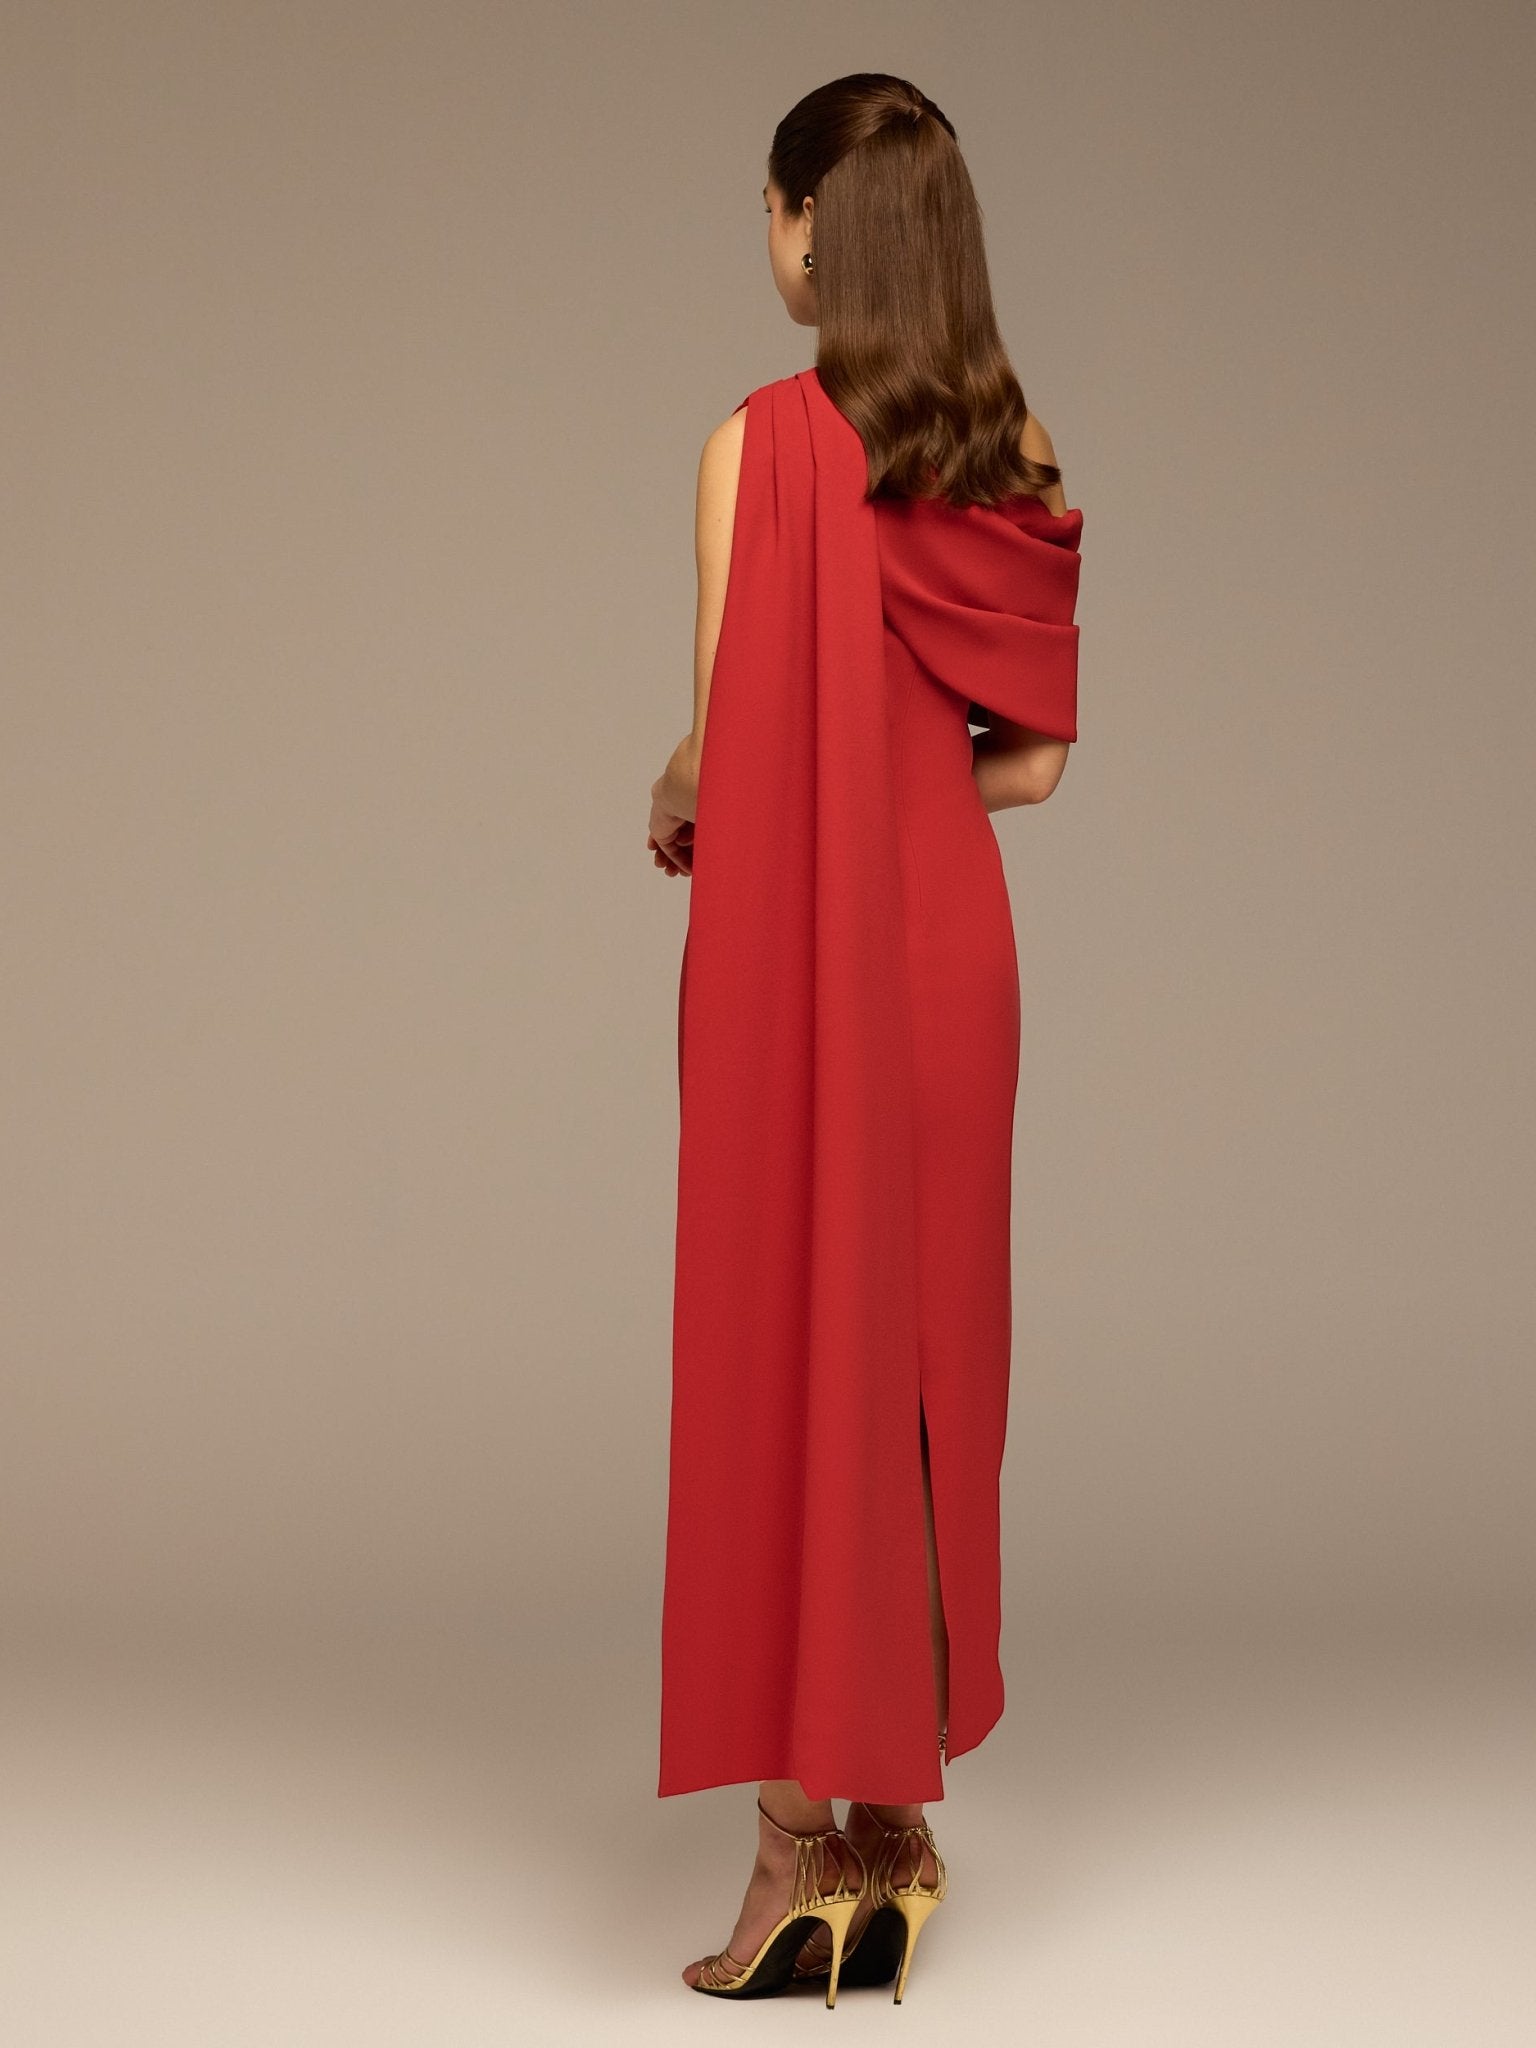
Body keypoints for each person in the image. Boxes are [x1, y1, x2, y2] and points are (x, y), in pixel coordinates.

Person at [645, 73, 1085, 2006]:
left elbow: (726, 746)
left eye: (773, 208)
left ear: (812, 225)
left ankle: (788, 1852)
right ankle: (896, 1827)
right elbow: (1034, 765)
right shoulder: (1011, 442)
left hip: (792, 957)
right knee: (920, 1362)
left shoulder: (754, 448)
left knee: (784, 1340)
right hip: (948, 963)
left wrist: (667, 792)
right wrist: (897, 778)